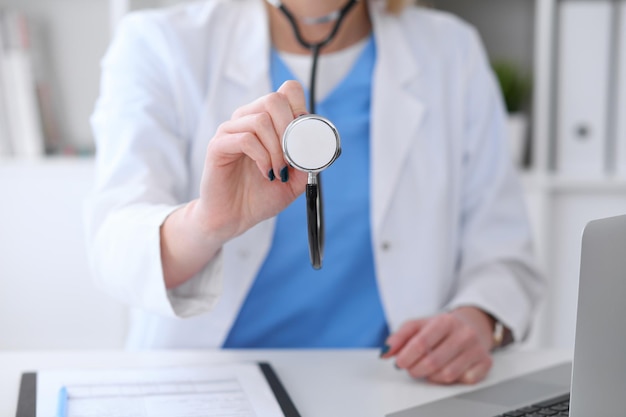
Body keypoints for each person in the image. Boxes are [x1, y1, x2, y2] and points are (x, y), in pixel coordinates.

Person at [86, 0, 545, 385]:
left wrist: (479, 319)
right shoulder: (157, 43)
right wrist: (208, 222)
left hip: (393, 385)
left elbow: (504, 251)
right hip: (212, 384)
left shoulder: (450, 51)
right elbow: (114, 245)